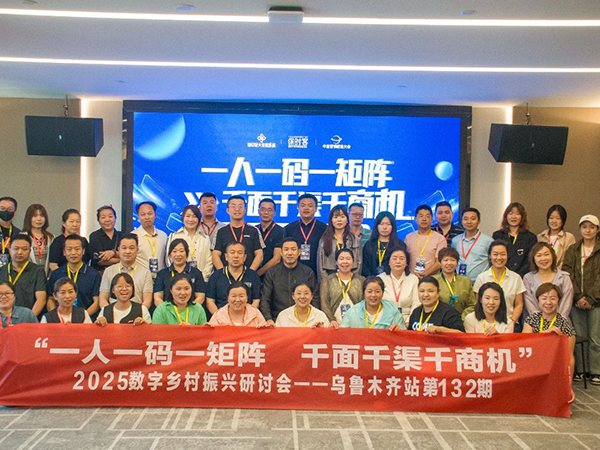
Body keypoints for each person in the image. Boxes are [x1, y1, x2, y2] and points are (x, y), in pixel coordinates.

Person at [563, 214, 600, 384]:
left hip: (596, 301)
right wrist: (578, 296)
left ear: (597, 230)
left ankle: (595, 371)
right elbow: (567, 273)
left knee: (595, 338)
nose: (588, 230)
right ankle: (582, 370)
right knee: (578, 336)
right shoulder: (573, 249)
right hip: (576, 300)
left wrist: (591, 298)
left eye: (592, 227)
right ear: (580, 229)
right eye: (584, 227)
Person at [523, 283, 576, 399]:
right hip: (532, 368)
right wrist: (545, 334)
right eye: (544, 298)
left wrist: (569, 386)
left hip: (553, 371)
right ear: (538, 300)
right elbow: (524, 344)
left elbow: (569, 358)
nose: (548, 302)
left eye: (552, 298)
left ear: (558, 301)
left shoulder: (565, 324)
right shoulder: (532, 319)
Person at [260, 237, 318, 326]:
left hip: (304, 321)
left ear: (299, 252)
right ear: (281, 253)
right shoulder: (272, 273)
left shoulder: (308, 272)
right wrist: (268, 318)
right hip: (278, 320)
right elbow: (265, 299)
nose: (290, 253)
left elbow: (315, 298)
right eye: (286, 249)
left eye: (293, 249)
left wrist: (313, 318)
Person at [474, 240, 526, 328]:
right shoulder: (481, 278)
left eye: (502, 254)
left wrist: (512, 322)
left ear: (507, 255)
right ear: (490, 256)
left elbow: (519, 304)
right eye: (495, 254)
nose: (499, 257)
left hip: (509, 323)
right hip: (485, 325)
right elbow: (477, 303)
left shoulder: (516, 278)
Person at [47, 234, 101, 317]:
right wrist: (56, 317)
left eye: (77, 249)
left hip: (85, 319)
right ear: (64, 252)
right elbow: (51, 298)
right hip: (61, 320)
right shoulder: (56, 274)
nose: (73, 253)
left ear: (83, 251)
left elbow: (96, 301)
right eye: (69, 249)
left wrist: (82, 317)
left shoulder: (94, 274)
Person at [99, 233, 153, 309]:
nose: (127, 251)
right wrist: (110, 313)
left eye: (131, 248)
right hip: (113, 314)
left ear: (137, 250)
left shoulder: (145, 273)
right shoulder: (109, 271)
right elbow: (102, 299)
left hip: (137, 314)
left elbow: (147, 301)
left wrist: (138, 313)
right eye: (124, 248)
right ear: (118, 250)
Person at [206, 242, 261, 315]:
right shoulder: (216, 276)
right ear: (226, 256)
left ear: (244, 257)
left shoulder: (253, 276)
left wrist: (247, 317)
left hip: (246, 317)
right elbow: (210, 301)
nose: (236, 256)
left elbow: (256, 300)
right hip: (220, 317)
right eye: (232, 252)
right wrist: (219, 317)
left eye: (239, 253)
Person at [523, 242, 573, 321]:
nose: (543, 259)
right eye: (539, 255)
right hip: (536, 323)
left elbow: (566, 304)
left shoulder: (564, 277)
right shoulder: (528, 278)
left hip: (561, 324)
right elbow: (530, 305)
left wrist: (557, 323)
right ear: (533, 259)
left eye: (546, 254)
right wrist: (541, 323)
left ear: (552, 256)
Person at [213, 195, 264, 271]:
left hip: (248, 274)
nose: (237, 209)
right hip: (226, 275)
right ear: (227, 210)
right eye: (233, 206)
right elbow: (215, 254)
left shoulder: (253, 230)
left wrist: (250, 273)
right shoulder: (221, 231)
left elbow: (259, 254)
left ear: (245, 210)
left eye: (240, 206)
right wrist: (222, 273)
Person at [0, 234, 46, 316]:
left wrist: (28, 318)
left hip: (28, 318)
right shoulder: (2, 270)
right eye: (16, 248)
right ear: (9, 250)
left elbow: (41, 299)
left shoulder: (38, 271)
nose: (20, 252)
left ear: (30, 251)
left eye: (24, 249)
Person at [283, 194, 327, 276]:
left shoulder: (324, 229)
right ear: (298, 208)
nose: (306, 208)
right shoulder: (288, 228)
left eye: (310, 206)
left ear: (316, 209)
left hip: (317, 271)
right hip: (293, 272)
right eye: (303, 205)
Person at [166, 204, 213, 281]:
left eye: (194, 216)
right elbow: (169, 259)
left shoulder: (205, 239)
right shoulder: (174, 236)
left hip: (201, 281)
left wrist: (202, 277)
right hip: (178, 281)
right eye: (188, 216)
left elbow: (210, 260)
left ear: (199, 219)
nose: (191, 220)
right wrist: (179, 278)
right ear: (183, 218)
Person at [338, 276, 405, 330]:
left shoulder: (392, 310)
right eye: (369, 291)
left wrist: (398, 330)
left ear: (382, 293)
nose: (373, 295)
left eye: (377, 291)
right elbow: (342, 334)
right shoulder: (353, 312)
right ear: (364, 293)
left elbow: (403, 334)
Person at [153, 239, 206, 306]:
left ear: (187, 253)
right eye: (174, 251)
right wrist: (167, 310)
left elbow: (200, 297)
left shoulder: (196, 273)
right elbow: (157, 298)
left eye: (181, 251)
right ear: (170, 254)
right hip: (168, 311)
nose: (178, 254)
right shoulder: (162, 274)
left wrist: (189, 310)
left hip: (190, 310)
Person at [317, 205, 362, 280]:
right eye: (336, 217)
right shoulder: (324, 239)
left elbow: (359, 263)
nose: (339, 220)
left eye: (342, 217)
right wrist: (326, 282)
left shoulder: (355, 239)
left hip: (350, 279)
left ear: (347, 220)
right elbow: (320, 265)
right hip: (329, 278)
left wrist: (352, 281)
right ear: (331, 220)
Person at [321, 248, 365, 326]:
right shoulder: (327, 281)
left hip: (357, 324)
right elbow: (324, 303)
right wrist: (331, 320)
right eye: (341, 259)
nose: (345, 262)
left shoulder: (362, 280)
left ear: (353, 262)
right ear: (336, 262)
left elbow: (365, 302)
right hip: (334, 325)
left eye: (348, 259)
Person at [493, 202, 538, 277]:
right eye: (510, 213)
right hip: (501, 275)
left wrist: (517, 277)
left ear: (522, 216)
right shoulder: (498, 235)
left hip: (522, 277)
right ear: (506, 216)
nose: (514, 216)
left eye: (517, 214)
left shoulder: (530, 237)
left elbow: (530, 261)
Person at [378, 247, 419, 326]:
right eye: (394, 258)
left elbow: (416, 303)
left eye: (401, 258)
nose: (398, 261)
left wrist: (409, 321)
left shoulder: (413, 279)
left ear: (406, 262)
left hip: (407, 321)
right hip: (385, 321)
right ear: (388, 262)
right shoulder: (380, 279)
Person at [451, 207, 494, 283]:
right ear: (461, 221)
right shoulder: (455, 240)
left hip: (480, 283)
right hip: (459, 282)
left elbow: (492, 262)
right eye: (465, 219)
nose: (469, 222)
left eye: (473, 219)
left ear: (479, 221)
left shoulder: (488, 241)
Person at [405, 205, 447, 278]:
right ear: (415, 219)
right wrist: (412, 274)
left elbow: (440, 262)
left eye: (427, 216)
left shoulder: (440, 238)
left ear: (431, 219)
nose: (424, 219)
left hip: (432, 279)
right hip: (411, 278)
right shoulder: (409, 238)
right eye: (421, 216)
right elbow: (405, 260)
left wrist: (425, 273)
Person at [434, 247, 476, 319]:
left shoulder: (466, 281)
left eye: (452, 260)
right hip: (439, 320)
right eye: (445, 260)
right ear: (440, 262)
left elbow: (472, 305)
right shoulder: (433, 281)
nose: (449, 263)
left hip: (462, 320)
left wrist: (461, 318)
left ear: (457, 263)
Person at [362, 211, 406, 277]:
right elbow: (365, 267)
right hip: (372, 280)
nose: (385, 227)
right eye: (381, 224)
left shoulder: (400, 245)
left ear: (393, 226)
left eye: (388, 224)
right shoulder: (369, 244)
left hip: (393, 280)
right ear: (377, 226)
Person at [133, 201, 168, 275]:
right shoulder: (133, 236)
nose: (147, 217)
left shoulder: (163, 236)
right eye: (143, 214)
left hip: (160, 278)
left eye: (150, 213)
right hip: (141, 278)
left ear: (155, 215)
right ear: (138, 216)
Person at [537, 204, 576, 269]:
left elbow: (570, 259)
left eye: (558, 218)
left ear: (563, 220)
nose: (554, 221)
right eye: (551, 218)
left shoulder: (569, 237)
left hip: (561, 272)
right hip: (542, 272)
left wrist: (556, 272)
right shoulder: (540, 237)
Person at [21, 203, 54, 274]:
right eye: (35, 216)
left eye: (41, 216)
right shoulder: (22, 237)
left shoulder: (51, 238)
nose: (39, 219)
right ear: (29, 218)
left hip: (46, 276)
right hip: (27, 275)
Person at [256, 198, 284, 277]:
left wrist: (258, 273)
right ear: (258, 211)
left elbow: (277, 258)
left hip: (273, 275)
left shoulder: (280, 231)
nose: (266, 212)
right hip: (254, 271)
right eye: (263, 209)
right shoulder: (254, 230)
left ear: (274, 213)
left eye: (269, 210)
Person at [88, 205, 121, 271]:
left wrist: (113, 253)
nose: (107, 220)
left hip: (120, 272)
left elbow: (129, 255)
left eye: (110, 216)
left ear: (115, 218)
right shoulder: (94, 236)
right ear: (98, 220)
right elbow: (99, 260)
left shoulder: (122, 235)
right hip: (101, 273)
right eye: (103, 217)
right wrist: (121, 259)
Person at [0, 196, 19, 268]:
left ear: (15, 212)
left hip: (12, 269)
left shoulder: (18, 233)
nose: (6, 211)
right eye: (2, 209)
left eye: (10, 209)